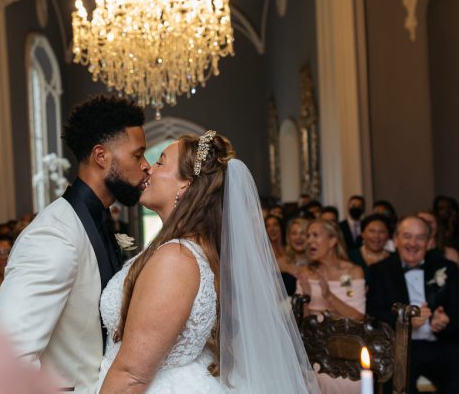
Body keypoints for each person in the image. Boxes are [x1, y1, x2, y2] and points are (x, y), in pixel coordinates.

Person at [98, 131, 319, 393]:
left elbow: (132, 376)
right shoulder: (194, 249)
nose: (148, 167)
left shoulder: (176, 259)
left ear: (185, 185)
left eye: (160, 162)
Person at [0, 95, 150, 393]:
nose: (146, 166)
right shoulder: (53, 236)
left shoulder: (99, 221)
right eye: (137, 155)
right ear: (101, 156)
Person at [367, 217, 459, 394]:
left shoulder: (447, 268)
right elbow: (373, 314)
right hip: (399, 349)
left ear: (429, 241)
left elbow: (456, 309)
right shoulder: (380, 270)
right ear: (396, 240)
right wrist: (405, 322)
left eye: (420, 237)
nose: (413, 243)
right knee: (395, 385)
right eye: (407, 236)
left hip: (440, 346)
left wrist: (446, 320)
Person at [297, 219, 365, 394]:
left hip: (346, 345)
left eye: (315, 235)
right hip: (314, 347)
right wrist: (306, 297)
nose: (309, 241)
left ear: (333, 241)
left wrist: (328, 296)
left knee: (347, 382)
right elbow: (302, 323)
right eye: (308, 236)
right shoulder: (305, 273)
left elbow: (358, 317)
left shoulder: (351, 273)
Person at [348, 213, 391, 285]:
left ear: (388, 235)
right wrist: (354, 292)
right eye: (372, 231)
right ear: (362, 234)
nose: (376, 236)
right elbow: (345, 287)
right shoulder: (349, 257)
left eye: (381, 232)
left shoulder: (395, 259)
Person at [277, 218, 309, 296]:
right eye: (294, 233)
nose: (298, 237)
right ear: (289, 237)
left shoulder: (317, 263)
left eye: (303, 233)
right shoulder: (280, 264)